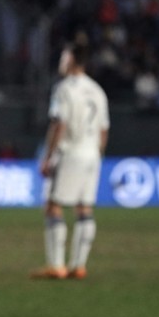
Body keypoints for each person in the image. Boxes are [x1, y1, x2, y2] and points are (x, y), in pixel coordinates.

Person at [31, 38, 109, 280]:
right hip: (92, 153)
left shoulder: (64, 89)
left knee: (53, 205)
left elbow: (59, 123)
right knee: (84, 208)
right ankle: (79, 265)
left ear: (72, 59)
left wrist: (47, 156)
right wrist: (98, 154)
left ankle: (56, 265)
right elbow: (104, 129)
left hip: (71, 152)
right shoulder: (97, 90)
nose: (61, 61)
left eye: (64, 56)